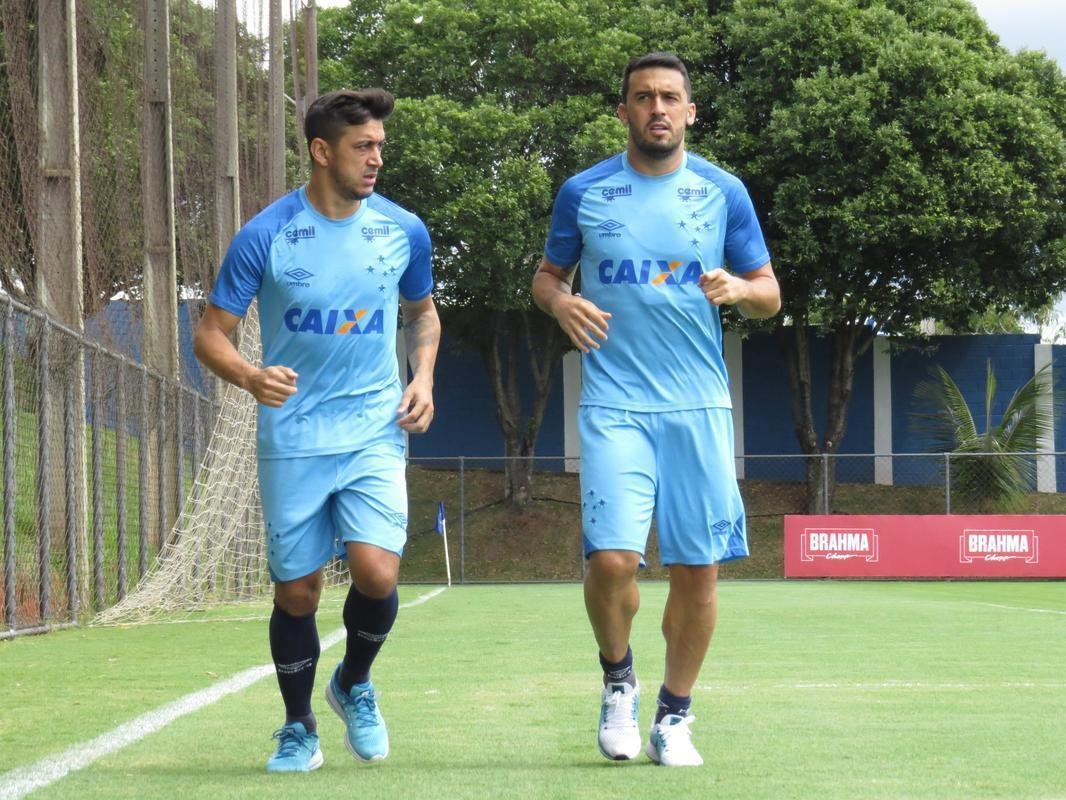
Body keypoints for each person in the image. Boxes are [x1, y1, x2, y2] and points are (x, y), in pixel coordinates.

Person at [533, 52, 780, 767]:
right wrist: (561, 303)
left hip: (698, 406)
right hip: (614, 402)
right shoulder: (583, 192)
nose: (657, 109)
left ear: (691, 112)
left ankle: (674, 715)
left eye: (671, 97)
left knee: (697, 570)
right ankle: (618, 678)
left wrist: (739, 288)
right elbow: (547, 279)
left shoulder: (723, 191)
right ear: (624, 113)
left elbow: (770, 292)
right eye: (643, 98)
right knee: (613, 560)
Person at [193, 89, 440, 773]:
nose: (377, 159)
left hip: (373, 428)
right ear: (321, 151)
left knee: (376, 570)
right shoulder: (265, 234)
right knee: (297, 591)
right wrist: (248, 375)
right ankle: (299, 725)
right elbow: (209, 335)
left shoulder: (403, 231)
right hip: (294, 434)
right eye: (364, 147)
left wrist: (422, 377)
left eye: (380, 146)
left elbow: (423, 315)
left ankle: (353, 682)